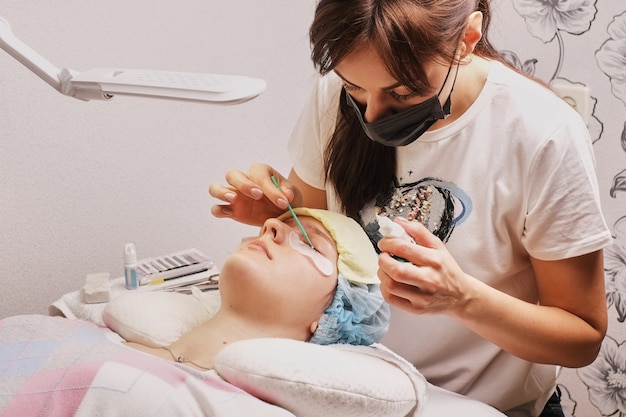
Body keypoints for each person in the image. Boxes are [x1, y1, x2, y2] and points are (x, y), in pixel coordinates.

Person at [208, 1, 612, 416]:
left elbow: (581, 337)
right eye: (355, 88)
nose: (372, 113)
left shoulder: (542, 133)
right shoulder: (339, 91)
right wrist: (273, 210)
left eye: (401, 92)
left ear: (467, 39)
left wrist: (462, 299)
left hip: (482, 407)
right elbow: (316, 230)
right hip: (352, 394)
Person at [125, 208, 390, 369]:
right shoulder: (110, 344)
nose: (270, 225)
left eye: (310, 244)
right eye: (281, 224)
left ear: (332, 317)